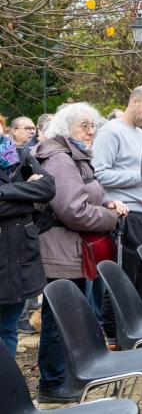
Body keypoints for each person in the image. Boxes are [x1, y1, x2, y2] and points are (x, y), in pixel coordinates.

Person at [32, 102, 128, 403]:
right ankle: (52, 383)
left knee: (69, 314)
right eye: (83, 125)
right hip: (60, 249)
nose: (91, 131)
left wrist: (106, 204)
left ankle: (67, 376)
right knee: (58, 318)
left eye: (93, 125)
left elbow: (88, 195)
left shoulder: (73, 154)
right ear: (65, 128)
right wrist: (109, 216)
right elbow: (73, 210)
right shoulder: (60, 159)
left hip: (72, 249)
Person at [92, 85, 142, 336]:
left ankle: (136, 331)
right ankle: (112, 334)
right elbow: (98, 174)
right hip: (126, 216)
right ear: (133, 102)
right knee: (123, 280)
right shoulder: (111, 132)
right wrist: (141, 175)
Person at [0, 135, 55, 355]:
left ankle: (8, 387)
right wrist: (27, 197)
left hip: (20, 258)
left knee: (8, 329)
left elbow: (48, 188)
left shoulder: (19, 156)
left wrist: (5, 192)